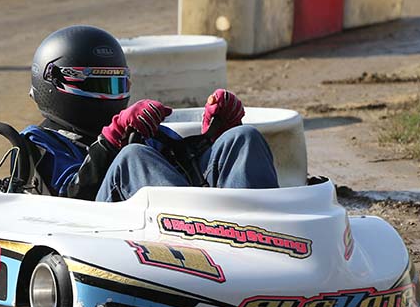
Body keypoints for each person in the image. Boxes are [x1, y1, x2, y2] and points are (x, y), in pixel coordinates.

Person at [22, 26, 278, 201]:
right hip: (96, 231)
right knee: (133, 156)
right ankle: (196, 241)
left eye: (116, 85)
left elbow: (186, 175)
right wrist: (110, 143)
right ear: (54, 82)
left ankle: (261, 236)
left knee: (241, 138)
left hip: (166, 221)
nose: (111, 96)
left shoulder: (141, 131)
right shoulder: (39, 143)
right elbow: (70, 201)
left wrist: (213, 135)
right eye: (100, 85)